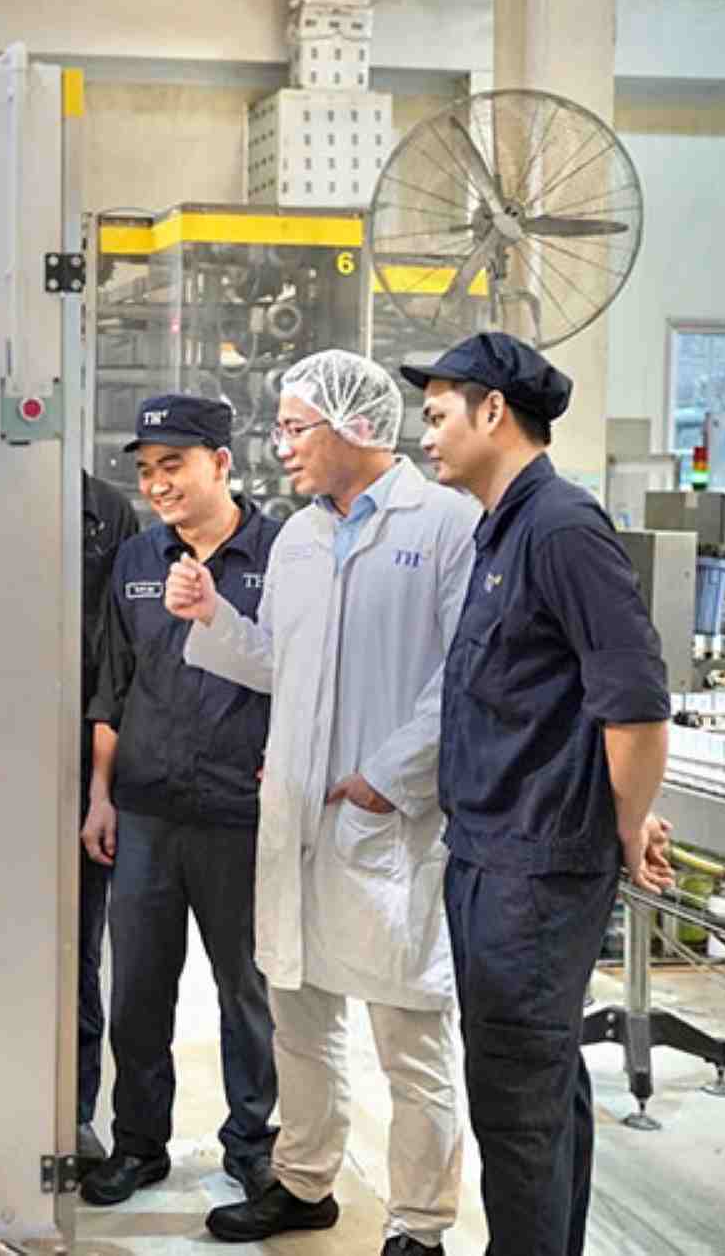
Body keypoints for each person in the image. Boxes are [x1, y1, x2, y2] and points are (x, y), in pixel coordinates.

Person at [168, 351, 476, 1254]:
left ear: (358, 428)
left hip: (392, 823)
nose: (282, 446)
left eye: (296, 427)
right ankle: (304, 1184)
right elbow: (284, 665)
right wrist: (213, 620)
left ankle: (420, 1224)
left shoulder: (448, 525)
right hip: (297, 815)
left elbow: (466, 677)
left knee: (411, 1040)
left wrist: (391, 775)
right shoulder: (300, 537)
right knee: (300, 1021)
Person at [402, 333, 675, 1256]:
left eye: (438, 415)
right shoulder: (502, 529)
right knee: (541, 1095)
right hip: (495, 855)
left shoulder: (559, 527)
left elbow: (635, 705)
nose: (426, 435)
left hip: (533, 873)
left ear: (492, 412)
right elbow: (552, 709)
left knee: (516, 1111)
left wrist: (625, 827)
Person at [80, 393, 282, 1207]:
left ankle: (254, 1147)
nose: (158, 484)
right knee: (137, 989)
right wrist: (101, 795)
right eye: (147, 471)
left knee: (248, 992)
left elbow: (304, 677)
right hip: (148, 810)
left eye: (174, 466)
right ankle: (138, 1143)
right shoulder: (137, 559)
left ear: (222, 464)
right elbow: (112, 687)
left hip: (242, 813)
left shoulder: (283, 554)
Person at [77, 468, 141, 1161]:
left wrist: (102, 786)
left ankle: (72, 1111)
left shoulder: (105, 510)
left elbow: (114, 654)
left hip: (80, 753)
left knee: (77, 947)